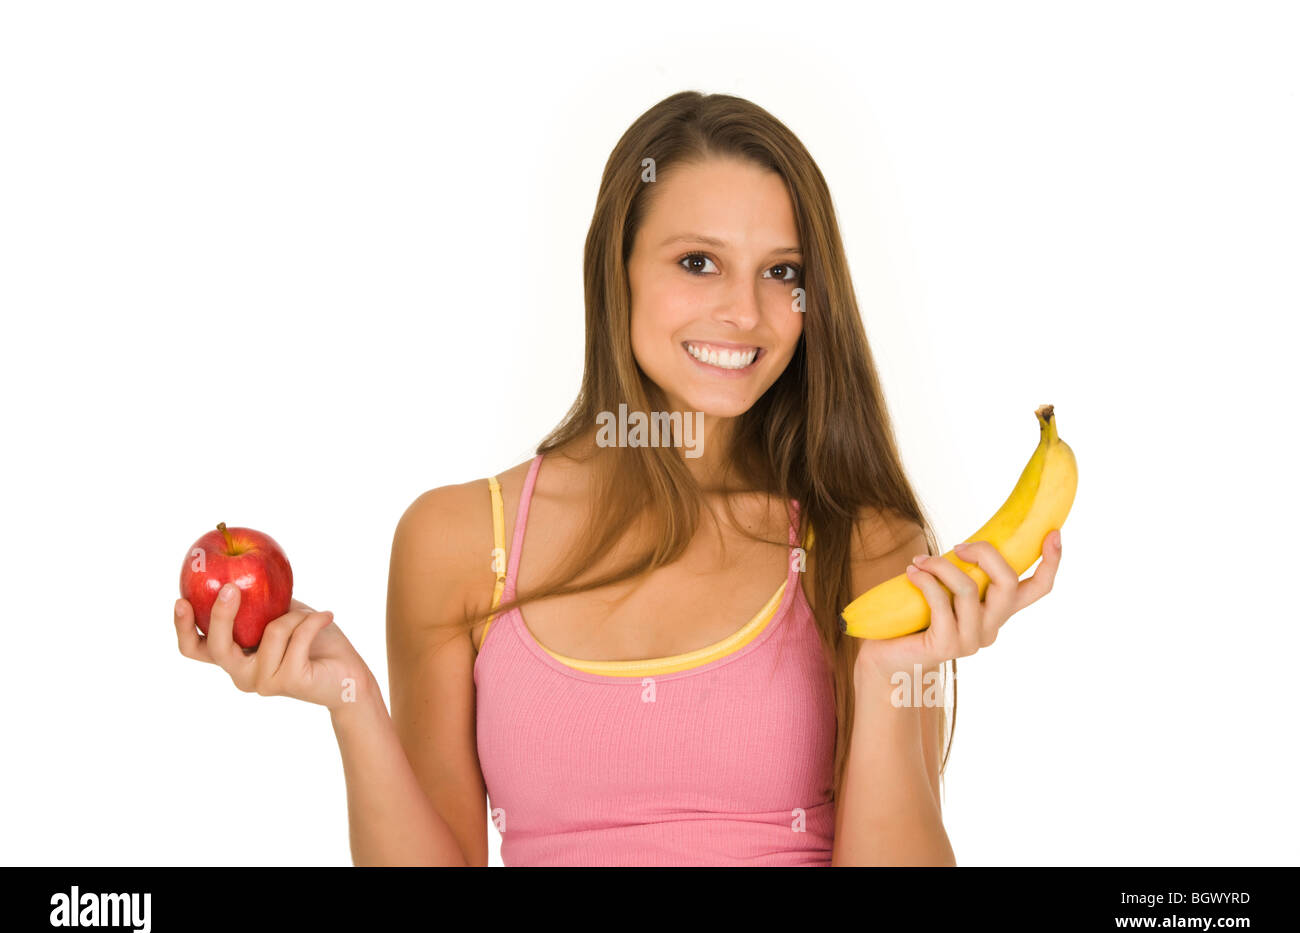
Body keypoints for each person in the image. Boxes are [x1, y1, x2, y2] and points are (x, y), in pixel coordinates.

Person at [174, 90, 1062, 866]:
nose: (744, 312)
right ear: (617, 268)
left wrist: (887, 681)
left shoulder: (865, 545)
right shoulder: (458, 543)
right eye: (697, 262)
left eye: (782, 273)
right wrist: (350, 702)